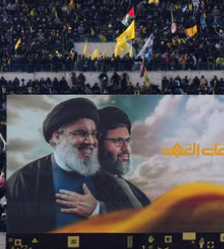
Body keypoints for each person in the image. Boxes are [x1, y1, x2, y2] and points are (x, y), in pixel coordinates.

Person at [6, 97, 131, 233]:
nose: (90, 141)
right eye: (80, 133)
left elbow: (131, 221)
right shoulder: (23, 181)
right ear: (57, 137)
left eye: (94, 134)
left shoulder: (109, 181)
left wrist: (97, 209)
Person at [97, 106, 151, 210]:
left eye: (127, 141)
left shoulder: (135, 191)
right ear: (98, 143)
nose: (126, 148)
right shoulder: (86, 187)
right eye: (118, 141)